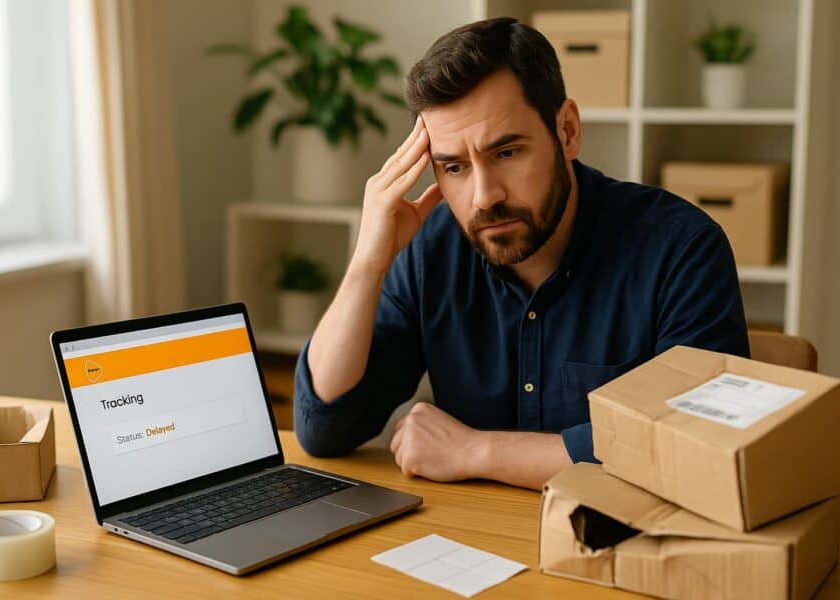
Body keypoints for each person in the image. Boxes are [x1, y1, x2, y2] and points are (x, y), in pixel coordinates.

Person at [293, 17, 749, 490]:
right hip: (468, 544)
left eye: (506, 153)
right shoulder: (433, 249)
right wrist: (369, 260)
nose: (484, 196)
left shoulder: (681, 249)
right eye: (454, 167)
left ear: (567, 131)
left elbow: (695, 450)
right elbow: (325, 428)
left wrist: (476, 451)